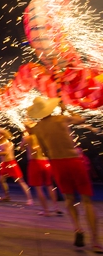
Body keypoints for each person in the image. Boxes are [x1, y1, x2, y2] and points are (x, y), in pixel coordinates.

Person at [27, 96, 102, 252]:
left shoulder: (37, 128)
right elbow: (81, 120)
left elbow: (44, 150)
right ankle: (95, 241)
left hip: (57, 163)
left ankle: (77, 228)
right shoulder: (61, 119)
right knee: (86, 200)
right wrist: (67, 108)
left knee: (69, 198)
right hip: (74, 161)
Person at [20, 126, 62, 216]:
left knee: (39, 188)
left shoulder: (27, 137)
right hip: (46, 162)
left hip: (35, 163)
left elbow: (20, 148)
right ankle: (56, 207)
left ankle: (46, 210)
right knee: (49, 185)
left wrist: (23, 138)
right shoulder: (43, 136)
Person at [0, 127, 32, 205]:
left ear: (3, 135)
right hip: (4, 164)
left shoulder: (7, 143)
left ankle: (29, 199)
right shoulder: (0, 142)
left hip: (11, 164)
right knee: (1, 180)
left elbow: (5, 153)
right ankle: (7, 196)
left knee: (20, 181)